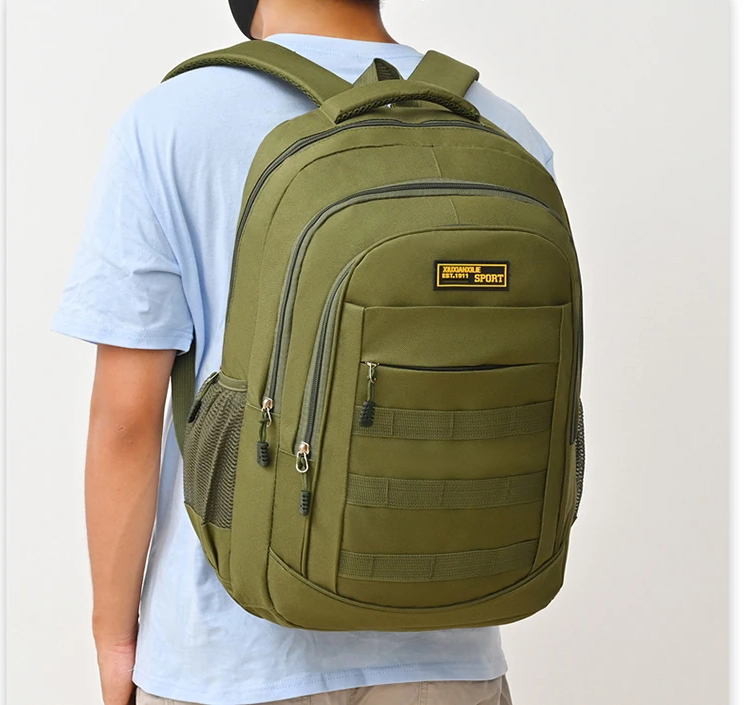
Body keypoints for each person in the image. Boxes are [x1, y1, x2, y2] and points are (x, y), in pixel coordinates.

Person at [53, 1, 555, 704]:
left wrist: (114, 641)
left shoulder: (172, 123)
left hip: (229, 659)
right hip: (452, 656)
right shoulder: (505, 128)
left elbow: (125, 421)